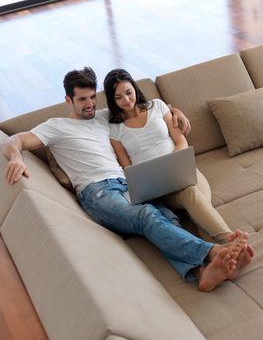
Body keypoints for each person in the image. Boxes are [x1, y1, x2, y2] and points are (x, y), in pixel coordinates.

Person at [4, 67, 253, 292]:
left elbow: (146, 108)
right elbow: (13, 140)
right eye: (82, 99)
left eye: (93, 97)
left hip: (127, 184)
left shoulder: (103, 117)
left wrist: (175, 111)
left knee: (167, 217)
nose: (89, 104)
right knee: (147, 216)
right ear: (68, 100)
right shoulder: (55, 126)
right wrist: (16, 157)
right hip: (98, 193)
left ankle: (202, 274)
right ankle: (215, 251)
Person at [104, 69, 237, 243]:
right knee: (192, 195)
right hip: (159, 187)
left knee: (195, 202)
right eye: (118, 97)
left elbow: (181, 141)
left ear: (135, 89)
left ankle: (226, 250)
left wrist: (172, 163)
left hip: (183, 171)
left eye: (129, 92)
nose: (127, 100)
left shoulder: (158, 106)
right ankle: (230, 239)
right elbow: (127, 168)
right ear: (112, 100)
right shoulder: (115, 129)